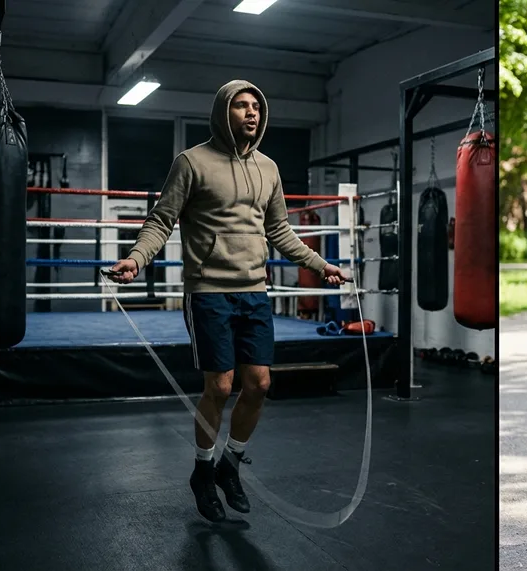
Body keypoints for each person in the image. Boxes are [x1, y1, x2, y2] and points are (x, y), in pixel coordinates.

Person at [106, 80, 347, 523]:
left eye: (257, 106)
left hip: (254, 291)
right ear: (223, 112)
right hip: (208, 291)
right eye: (242, 105)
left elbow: (280, 230)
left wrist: (320, 264)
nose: (252, 112)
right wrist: (136, 259)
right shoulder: (191, 162)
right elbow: (161, 220)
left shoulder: (268, 168)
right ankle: (202, 471)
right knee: (219, 386)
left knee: (259, 384)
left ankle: (229, 465)